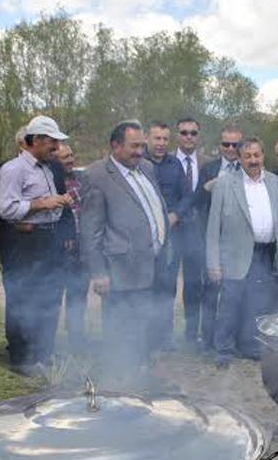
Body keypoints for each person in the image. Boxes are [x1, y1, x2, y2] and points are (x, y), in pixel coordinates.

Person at [81, 121, 169, 384]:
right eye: (134, 146)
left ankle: (141, 371)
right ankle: (118, 380)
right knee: (121, 328)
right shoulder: (97, 175)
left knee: (146, 322)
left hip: (152, 263)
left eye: (142, 145)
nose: (140, 151)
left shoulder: (147, 168)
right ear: (115, 145)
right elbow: (90, 230)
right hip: (120, 269)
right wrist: (98, 272)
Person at [0, 115, 72, 376]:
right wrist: (42, 203)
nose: (56, 147)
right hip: (26, 243)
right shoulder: (14, 169)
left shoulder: (48, 168)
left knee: (49, 296)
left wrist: (58, 203)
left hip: (49, 240)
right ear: (36, 140)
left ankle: (43, 353)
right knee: (22, 296)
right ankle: (21, 358)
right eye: (52, 141)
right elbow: (6, 208)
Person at [207, 138, 278, 367]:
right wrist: (213, 262)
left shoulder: (274, 182)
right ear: (239, 159)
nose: (253, 160)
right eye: (248, 156)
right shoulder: (224, 184)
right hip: (234, 254)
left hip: (266, 252)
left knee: (258, 304)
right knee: (230, 304)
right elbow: (213, 227)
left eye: (257, 155)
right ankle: (223, 349)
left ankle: (250, 346)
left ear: (263, 156)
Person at [194, 124, 244, 350]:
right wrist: (209, 187)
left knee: (235, 294)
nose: (231, 149)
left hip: (239, 242)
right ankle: (207, 340)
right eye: (227, 144)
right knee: (211, 292)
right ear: (220, 146)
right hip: (213, 239)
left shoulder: (249, 168)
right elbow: (198, 201)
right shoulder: (209, 168)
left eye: (236, 145)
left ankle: (231, 340)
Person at [145, 121, 191, 351]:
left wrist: (175, 215)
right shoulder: (139, 163)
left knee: (167, 285)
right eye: (157, 138)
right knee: (145, 285)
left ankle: (164, 336)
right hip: (143, 237)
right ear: (147, 138)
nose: (161, 143)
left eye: (165, 139)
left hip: (170, 235)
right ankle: (145, 337)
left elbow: (187, 197)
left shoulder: (175, 165)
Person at [172, 117, 207, 347]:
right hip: (172, 231)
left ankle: (191, 333)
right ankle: (162, 334)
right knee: (166, 283)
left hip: (198, 233)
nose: (189, 137)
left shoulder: (208, 163)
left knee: (195, 285)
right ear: (178, 135)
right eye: (184, 132)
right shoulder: (165, 162)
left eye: (193, 133)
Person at [55, 143, 89, 352]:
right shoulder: (52, 181)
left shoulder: (81, 178)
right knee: (56, 293)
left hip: (82, 244)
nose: (70, 160)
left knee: (79, 292)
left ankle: (77, 338)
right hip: (60, 246)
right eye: (64, 157)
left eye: (71, 155)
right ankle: (49, 340)